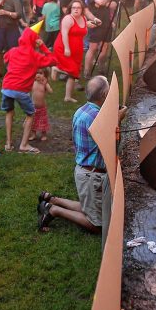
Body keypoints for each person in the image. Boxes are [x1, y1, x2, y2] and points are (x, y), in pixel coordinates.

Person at [38, 75, 111, 234]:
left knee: (89, 207)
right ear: (105, 96)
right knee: (97, 224)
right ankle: (53, 210)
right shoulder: (97, 117)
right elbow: (110, 140)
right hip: (92, 176)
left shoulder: (82, 110)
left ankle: (51, 200)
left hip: (83, 170)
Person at [2, 27, 54, 153]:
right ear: (34, 40)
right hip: (20, 89)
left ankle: (8, 144)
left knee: (9, 112)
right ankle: (24, 145)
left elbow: (5, 59)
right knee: (31, 114)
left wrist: (12, 68)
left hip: (7, 87)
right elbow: (53, 60)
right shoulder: (35, 56)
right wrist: (43, 47)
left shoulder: (13, 50)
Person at [53, 0, 93, 102]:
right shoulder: (68, 19)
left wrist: (89, 24)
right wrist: (66, 48)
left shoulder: (83, 18)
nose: (76, 10)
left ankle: (67, 97)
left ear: (82, 9)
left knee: (75, 72)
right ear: (70, 9)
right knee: (73, 70)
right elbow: (64, 34)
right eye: (74, 8)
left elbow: (82, 29)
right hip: (64, 47)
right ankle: (56, 69)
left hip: (77, 49)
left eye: (78, 8)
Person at [31, 70, 52, 142]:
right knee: (33, 121)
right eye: (36, 73)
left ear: (44, 75)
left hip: (42, 107)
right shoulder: (33, 83)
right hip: (33, 107)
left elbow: (50, 91)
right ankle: (33, 134)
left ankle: (44, 134)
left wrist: (46, 84)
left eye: (40, 73)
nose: (38, 75)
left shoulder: (44, 84)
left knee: (43, 122)